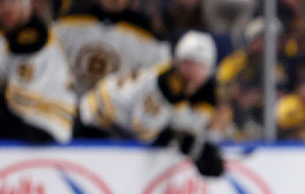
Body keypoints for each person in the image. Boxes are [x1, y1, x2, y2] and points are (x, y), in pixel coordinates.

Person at [77, 30, 223, 177]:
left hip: (116, 129)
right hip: (93, 121)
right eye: (189, 63)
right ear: (178, 62)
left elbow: (190, 124)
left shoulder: (205, 91)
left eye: (201, 66)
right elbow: (143, 129)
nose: (194, 72)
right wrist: (186, 144)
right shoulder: (164, 84)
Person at [0, 0, 77, 143]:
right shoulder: (6, 36)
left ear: (30, 4)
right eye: (0, 3)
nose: (6, 9)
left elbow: (22, 102)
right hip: (31, 123)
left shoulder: (36, 39)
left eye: (12, 2)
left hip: (46, 125)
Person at [54, 0, 172, 97]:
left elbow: (157, 78)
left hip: (117, 119)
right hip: (66, 109)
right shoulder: (71, 19)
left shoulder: (149, 35)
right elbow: (51, 60)